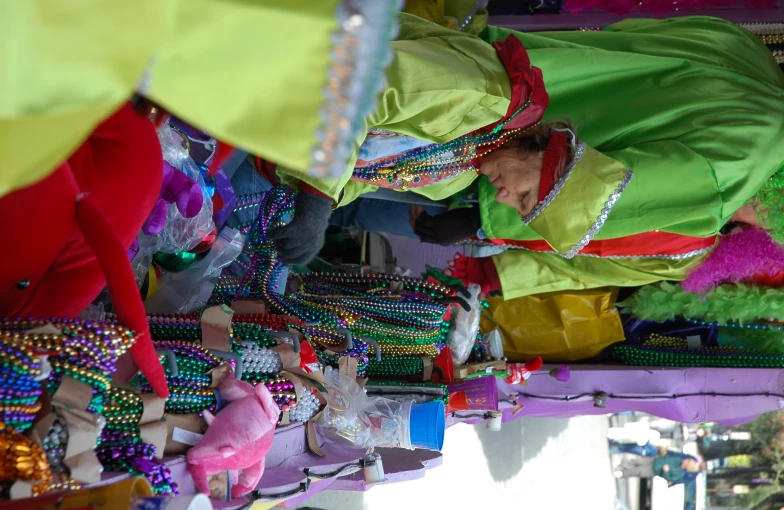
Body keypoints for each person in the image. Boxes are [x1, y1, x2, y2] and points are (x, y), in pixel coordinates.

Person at [269, 12, 784, 300]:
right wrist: (316, 196)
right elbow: (591, 193)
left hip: (500, 127)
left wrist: (499, 260)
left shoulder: (748, 64)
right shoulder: (725, 175)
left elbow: (590, 259)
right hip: (488, 122)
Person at [615, 446, 707, 486]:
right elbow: (676, 454)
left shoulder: (684, 474)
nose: (686, 460)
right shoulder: (683, 459)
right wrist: (666, 451)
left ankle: (622, 473)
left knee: (638, 471)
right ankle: (622, 463)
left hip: (656, 470)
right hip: (657, 460)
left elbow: (673, 479)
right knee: (638, 461)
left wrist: (666, 472)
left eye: (687, 461)